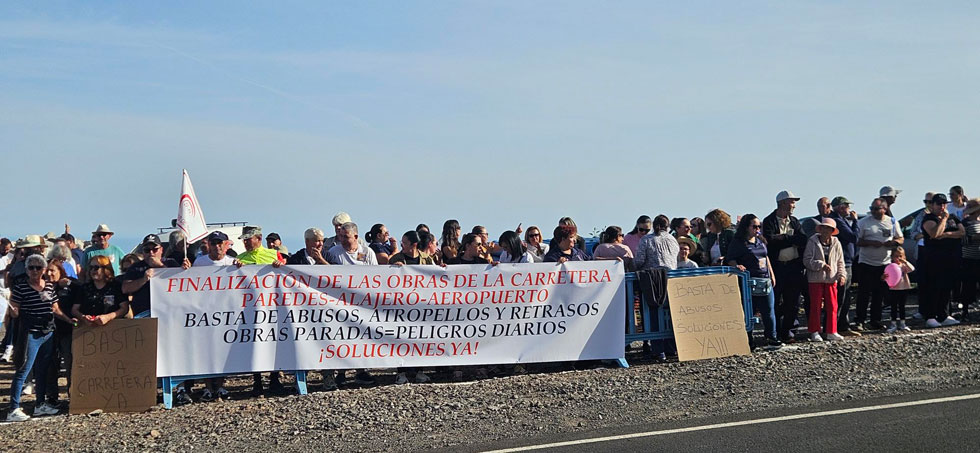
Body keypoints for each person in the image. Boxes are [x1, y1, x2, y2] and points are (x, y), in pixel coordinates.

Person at [6, 254, 76, 422]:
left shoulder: (49, 287)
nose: (35, 271)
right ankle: (13, 408)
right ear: (26, 270)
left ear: (44, 270)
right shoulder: (21, 287)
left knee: (42, 370)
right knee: (23, 369)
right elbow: (13, 310)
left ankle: (40, 404)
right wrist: (14, 312)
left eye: (38, 267)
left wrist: (69, 320)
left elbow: (55, 309)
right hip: (30, 333)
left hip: (48, 333)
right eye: (31, 267)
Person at [232, 226, 290, 396]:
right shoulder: (240, 257)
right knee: (252, 341)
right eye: (244, 240)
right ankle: (257, 381)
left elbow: (286, 270)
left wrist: (281, 264)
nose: (245, 243)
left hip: (271, 305)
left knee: (272, 340)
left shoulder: (272, 254)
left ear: (258, 238)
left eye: (248, 239)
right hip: (249, 306)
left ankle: (274, 379)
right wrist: (236, 267)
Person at [325, 222, 377, 386]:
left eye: (345, 237)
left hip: (362, 303)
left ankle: (361, 370)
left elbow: (377, 274)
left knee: (361, 336)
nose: (342, 240)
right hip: (339, 303)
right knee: (341, 336)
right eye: (340, 236)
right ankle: (340, 372)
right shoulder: (334, 252)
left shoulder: (367, 252)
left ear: (355, 236)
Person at [189, 231, 238, 400]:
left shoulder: (232, 262)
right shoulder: (200, 262)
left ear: (226, 245)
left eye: (220, 243)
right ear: (208, 244)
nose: (217, 246)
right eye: (214, 243)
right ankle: (208, 387)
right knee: (206, 350)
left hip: (225, 313)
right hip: (205, 312)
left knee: (223, 349)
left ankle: (222, 385)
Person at [726, 215, 781, 348]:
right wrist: (736, 266)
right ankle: (748, 339)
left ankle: (771, 337)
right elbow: (730, 259)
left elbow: (765, 257)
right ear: (746, 227)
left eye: (758, 226)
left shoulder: (760, 241)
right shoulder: (738, 243)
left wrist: (772, 274)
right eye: (754, 226)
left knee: (768, 310)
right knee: (748, 311)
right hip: (748, 282)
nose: (757, 229)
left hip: (764, 279)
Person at [763, 190, 808, 342]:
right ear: (782, 203)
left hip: (794, 267)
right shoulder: (769, 221)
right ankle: (774, 332)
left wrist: (784, 238)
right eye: (792, 202)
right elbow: (771, 243)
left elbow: (802, 239)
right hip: (777, 267)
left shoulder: (794, 221)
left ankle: (788, 331)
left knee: (793, 302)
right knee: (774, 301)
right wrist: (790, 239)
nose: (794, 205)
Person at [855, 198, 903, 330]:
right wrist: (871, 243)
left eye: (876, 209)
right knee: (864, 293)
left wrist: (893, 243)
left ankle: (875, 320)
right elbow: (857, 240)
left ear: (885, 209)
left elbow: (900, 238)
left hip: (884, 263)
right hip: (866, 262)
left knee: (879, 293)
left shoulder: (892, 222)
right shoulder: (864, 222)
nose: (874, 212)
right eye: (872, 209)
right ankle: (860, 320)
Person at [920, 193, 963, 328]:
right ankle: (930, 316)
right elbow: (934, 234)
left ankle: (943, 314)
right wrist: (943, 220)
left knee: (946, 287)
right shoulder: (929, 218)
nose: (942, 206)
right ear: (932, 205)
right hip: (934, 259)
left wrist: (946, 235)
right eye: (939, 204)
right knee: (933, 287)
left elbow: (962, 232)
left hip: (950, 258)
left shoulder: (953, 217)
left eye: (944, 204)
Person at [802, 218, 846, 342]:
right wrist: (821, 265)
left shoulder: (836, 242)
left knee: (832, 305)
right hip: (815, 279)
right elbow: (807, 260)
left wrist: (842, 275)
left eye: (829, 228)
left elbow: (840, 261)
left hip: (831, 279)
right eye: (824, 227)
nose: (826, 230)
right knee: (815, 306)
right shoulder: (812, 241)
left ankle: (832, 331)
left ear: (832, 231)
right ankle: (814, 331)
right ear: (820, 229)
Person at [43, 261, 77, 410]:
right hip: (49, 331)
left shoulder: (71, 286)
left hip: (67, 330)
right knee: (50, 365)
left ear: (60, 271)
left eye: (53, 271)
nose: (49, 274)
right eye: (47, 271)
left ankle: (73, 395)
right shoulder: (43, 285)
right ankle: (51, 396)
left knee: (70, 363)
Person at [828, 196, 861, 336]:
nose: (849, 209)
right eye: (847, 206)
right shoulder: (838, 221)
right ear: (841, 207)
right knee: (842, 296)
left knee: (845, 296)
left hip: (848, 261)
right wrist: (855, 222)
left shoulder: (840, 220)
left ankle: (842, 325)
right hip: (843, 263)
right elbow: (853, 237)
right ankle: (836, 326)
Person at [960, 199, 980, 321]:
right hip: (969, 258)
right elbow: (962, 240)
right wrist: (974, 237)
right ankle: (965, 311)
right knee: (968, 285)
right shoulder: (965, 223)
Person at [886, 247, 914, 333]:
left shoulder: (904, 266)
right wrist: (884, 277)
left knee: (902, 307)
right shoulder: (890, 266)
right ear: (892, 257)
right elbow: (886, 276)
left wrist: (905, 262)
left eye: (900, 256)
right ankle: (893, 323)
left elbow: (912, 269)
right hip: (894, 289)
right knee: (893, 307)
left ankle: (903, 323)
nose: (898, 258)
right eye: (896, 256)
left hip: (904, 288)